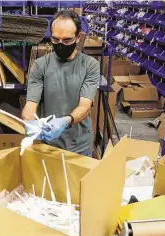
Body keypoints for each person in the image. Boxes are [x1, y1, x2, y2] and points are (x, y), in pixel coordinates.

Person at [22, 10, 100, 157]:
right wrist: (29, 122)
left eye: (67, 40)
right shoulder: (40, 65)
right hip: (50, 145)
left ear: (78, 37)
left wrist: (66, 121)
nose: (60, 44)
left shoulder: (90, 65)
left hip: (79, 145)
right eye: (56, 39)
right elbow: (31, 104)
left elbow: (85, 106)